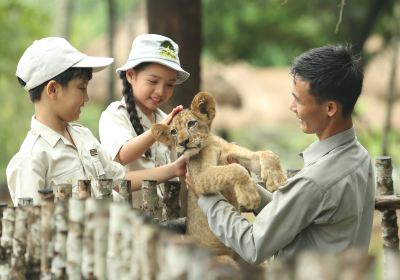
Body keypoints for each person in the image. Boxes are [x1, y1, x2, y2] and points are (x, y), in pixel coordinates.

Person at [186, 44, 375, 263]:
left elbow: (253, 245)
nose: (291, 107)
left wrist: (209, 200)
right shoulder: (359, 157)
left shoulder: (316, 182)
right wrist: (247, 182)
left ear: (330, 108)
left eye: (299, 100)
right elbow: (291, 214)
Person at [6, 37, 187, 206]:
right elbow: (30, 226)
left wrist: (174, 169)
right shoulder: (32, 158)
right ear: (53, 89)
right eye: (81, 88)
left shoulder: (84, 137)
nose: (87, 98)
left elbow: (120, 181)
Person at [98, 34, 190, 207]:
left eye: (169, 84)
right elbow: (123, 155)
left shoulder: (165, 119)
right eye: (153, 81)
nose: (160, 91)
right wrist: (157, 131)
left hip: (165, 219)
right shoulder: (115, 115)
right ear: (131, 75)